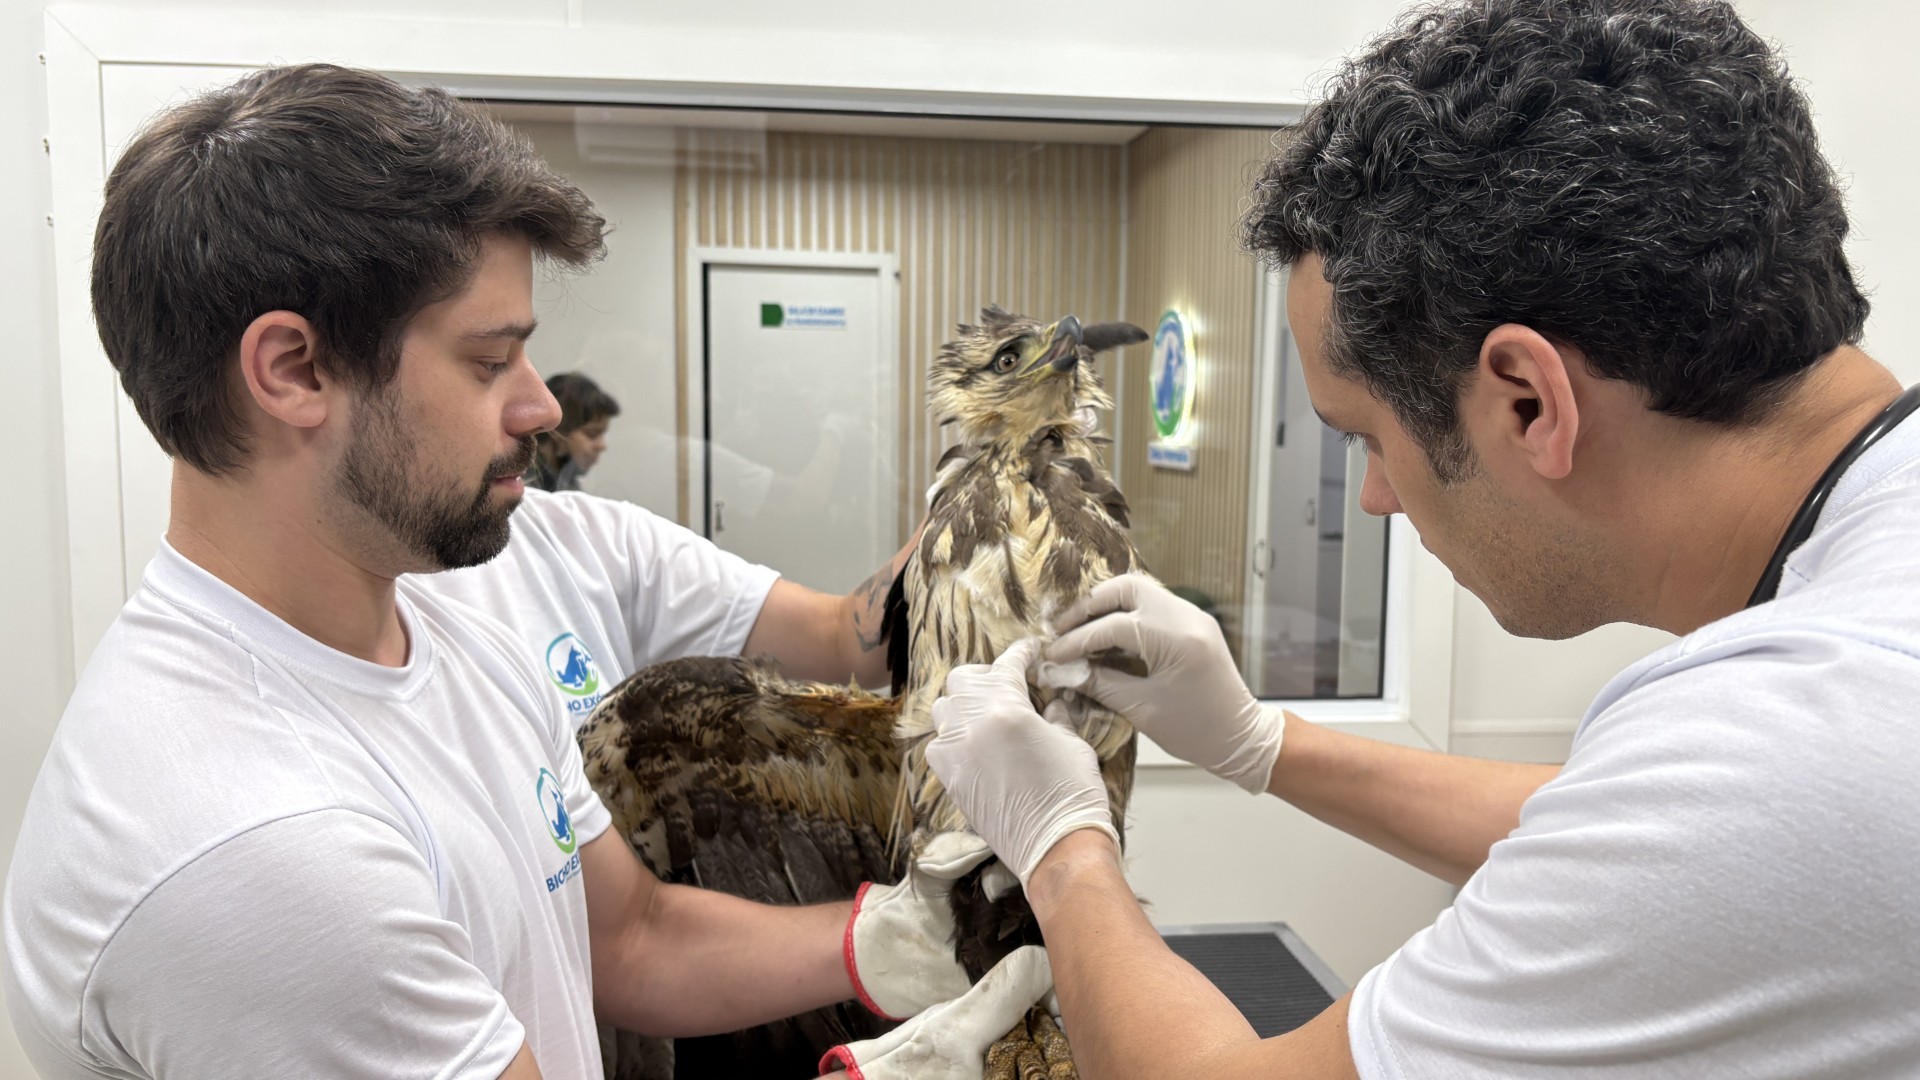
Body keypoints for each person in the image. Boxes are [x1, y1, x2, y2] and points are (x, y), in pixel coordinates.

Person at [925, 1, 1920, 1077]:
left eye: (1368, 438)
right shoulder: (1859, 625)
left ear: (1528, 402)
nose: (1373, 499)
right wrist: (1260, 743)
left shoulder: (1790, 747)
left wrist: (1061, 848)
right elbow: (1618, 826)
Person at [1, 64, 1007, 1080]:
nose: (541, 408)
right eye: (489, 362)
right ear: (294, 370)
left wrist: (893, 939)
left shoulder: (452, 638)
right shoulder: (259, 848)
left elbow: (630, 937)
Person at [529, 371, 618, 492]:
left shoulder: (566, 484)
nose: (602, 445)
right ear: (555, 432)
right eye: (592, 434)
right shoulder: (526, 488)